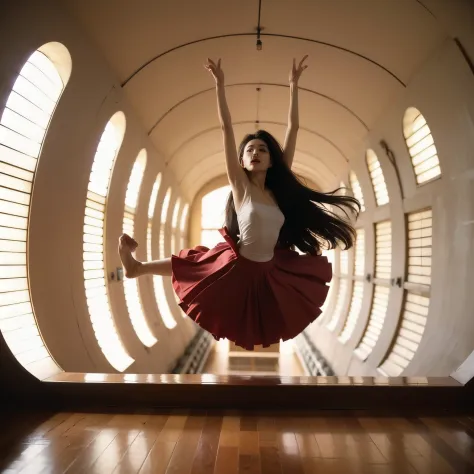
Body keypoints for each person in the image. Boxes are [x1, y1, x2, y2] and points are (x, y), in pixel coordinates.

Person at [118, 56, 360, 350]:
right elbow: (226, 128)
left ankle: (138, 268)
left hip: (270, 269)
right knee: (194, 265)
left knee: (265, 319)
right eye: (249, 150)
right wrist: (219, 85)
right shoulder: (241, 187)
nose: (255, 152)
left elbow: (293, 128)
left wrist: (294, 85)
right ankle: (136, 267)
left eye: (262, 149)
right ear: (242, 161)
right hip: (238, 265)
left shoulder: (278, 192)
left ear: (272, 160)